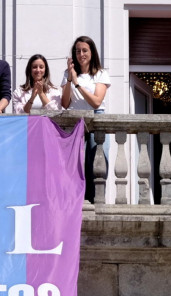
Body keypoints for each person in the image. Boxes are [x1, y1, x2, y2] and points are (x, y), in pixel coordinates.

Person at [61, 35, 110, 202]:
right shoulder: (68, 74)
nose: (81, 54)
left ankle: (96, 199)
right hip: (75, 120)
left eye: (84, 50)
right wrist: (69, 79)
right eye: (78, 51)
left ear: (91, 52)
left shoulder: (101, 74)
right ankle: (76, 199)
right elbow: (65, 103)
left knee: (96, 161)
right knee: (76, 163)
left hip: (96, 119)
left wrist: (77, 84)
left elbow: (96, 102)